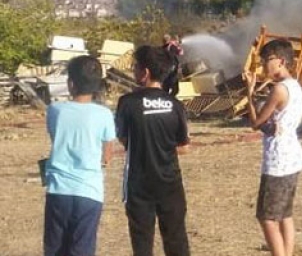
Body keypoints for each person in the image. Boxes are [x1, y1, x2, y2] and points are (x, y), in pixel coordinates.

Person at [116, 45, 191, 256]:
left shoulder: (127, 103)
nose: (133, 71)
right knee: (176, 239)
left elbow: (123, 138)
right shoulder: (175, 105)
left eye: (135, 66)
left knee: (142, 242)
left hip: (138, 183)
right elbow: (184, 147)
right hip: (170, 182)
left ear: (145, 72)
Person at [43, 55, 116, 256]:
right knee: (82, 247)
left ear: (70, 84)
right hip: (89, 191)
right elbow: (107, 154)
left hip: (58, 190)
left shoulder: (55, 110)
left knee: (55, 247)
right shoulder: (104, 114)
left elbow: (55, 136)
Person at [244, 40, 302, 256]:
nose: (262, 66)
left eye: (266, 60)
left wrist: (249, 93)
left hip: (278, 160)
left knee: (267, 218)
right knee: (285, 214)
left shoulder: (279, 89)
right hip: (293, 158)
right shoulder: (295, 85)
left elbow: (256, 123)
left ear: (281, 61)